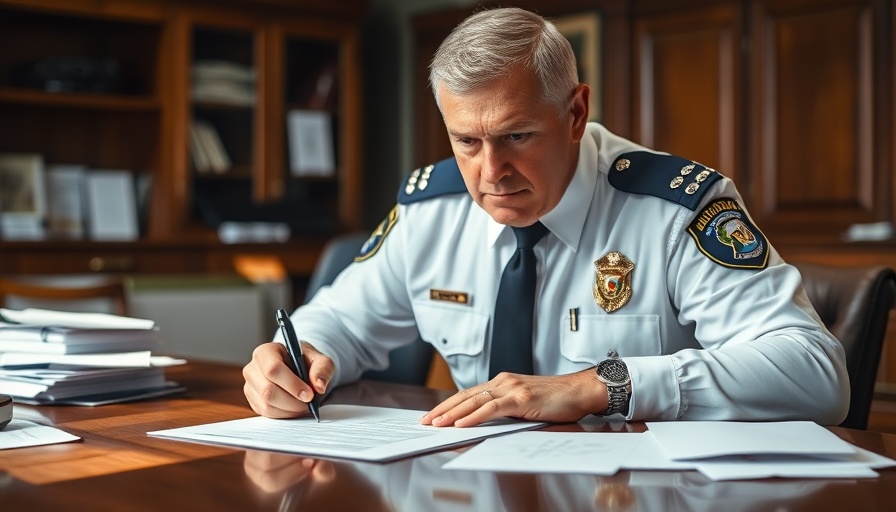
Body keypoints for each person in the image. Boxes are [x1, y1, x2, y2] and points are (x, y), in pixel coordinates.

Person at [243, 7, 849, 427]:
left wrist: (598, 386)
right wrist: (293, 359)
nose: (490, 173)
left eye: (517, 136)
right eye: (466, 141)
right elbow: (338, 320)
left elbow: (816, 373)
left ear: (577, 112)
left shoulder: (675, 209)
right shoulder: (431, 209)